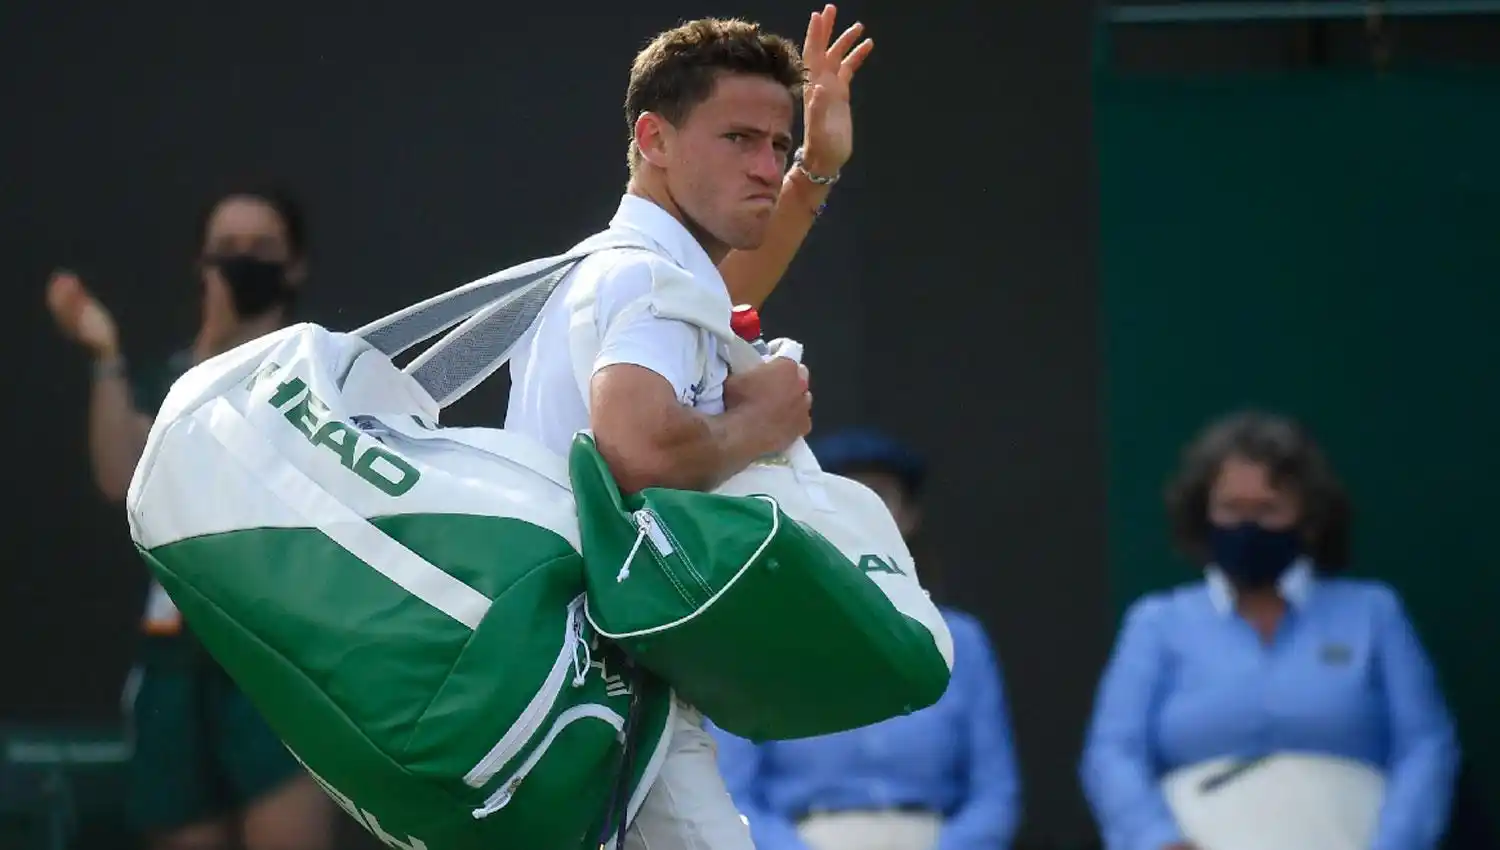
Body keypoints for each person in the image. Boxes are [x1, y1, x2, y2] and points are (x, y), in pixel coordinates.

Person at [502, 7, 872, 848]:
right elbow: (637, 450)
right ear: (654, 138)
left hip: (562, 687)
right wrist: (759, 423)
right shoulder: (644, 281)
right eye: (738, 139)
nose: (766, 166)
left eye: (778, 145)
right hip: (609, 686)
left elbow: (716, 297)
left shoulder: (621, 268)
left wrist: (816, 168)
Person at [45, 187, 335, 850]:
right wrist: (105, 351)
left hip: (278, 654)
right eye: (225, 250)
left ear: (294, 265)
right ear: (201, 265)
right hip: (177, 660)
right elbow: (120, 475)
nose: (241, 263)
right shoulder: (177, 378)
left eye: (260, 248)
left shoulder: (319, 373)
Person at [1080, 411, 1459, 850]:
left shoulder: (1373, 613)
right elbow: (1112, 751)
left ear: (1307, 517)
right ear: (1204, 514)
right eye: (1231, 509)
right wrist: (1155, 839)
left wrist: (1395, 843)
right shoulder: (1157, 623)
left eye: (1267, 510)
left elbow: (1426, 745)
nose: (1248, 528)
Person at [710, 427, 1022, 850]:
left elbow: (996, 795)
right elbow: (731, 795)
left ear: (909, 516)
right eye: (843, 497)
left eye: (879, 498)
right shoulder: (764, 642)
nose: (861, 514)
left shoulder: (962, 641)